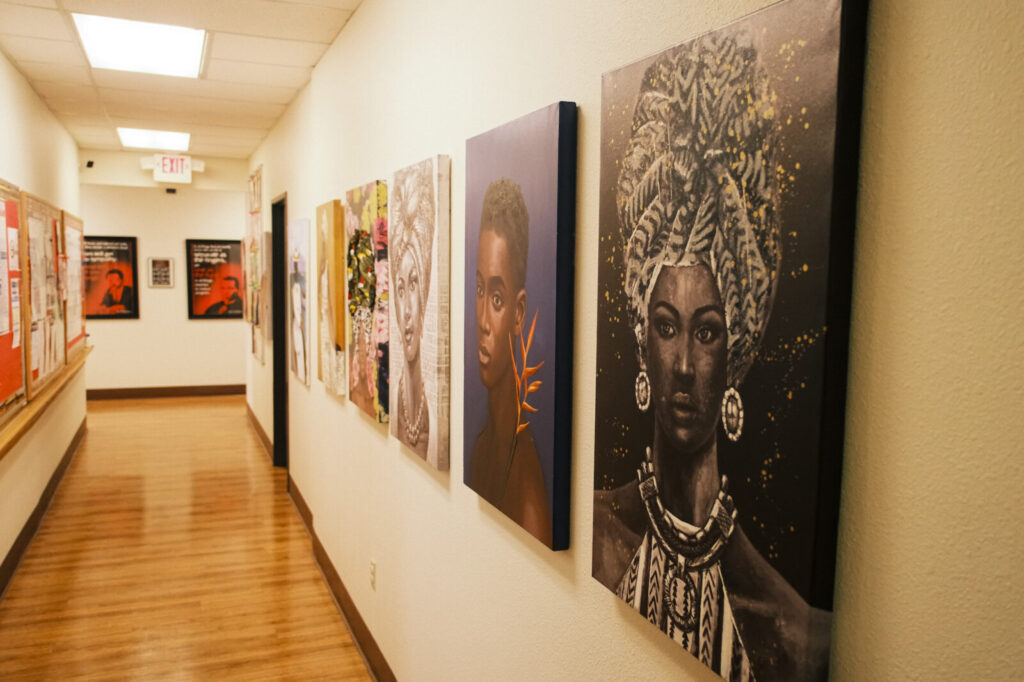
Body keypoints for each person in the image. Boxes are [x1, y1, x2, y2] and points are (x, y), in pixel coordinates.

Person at [592, 34, 831, 681]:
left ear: (738, 349)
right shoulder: (595, 534)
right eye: (667, 326)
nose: (686, 366)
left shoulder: (787, 626)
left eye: (708, 332)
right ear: (644, 337)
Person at [469, 178, 550, 546]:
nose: (483, 320)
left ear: (519, 314)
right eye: (480, 290)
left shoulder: (527, 492)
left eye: (497, 300)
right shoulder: (483, 446)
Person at [391, 160, 435, 459]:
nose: (407, 310)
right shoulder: (397, 405)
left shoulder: (431, 411)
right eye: (400, 288)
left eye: (415, 284)